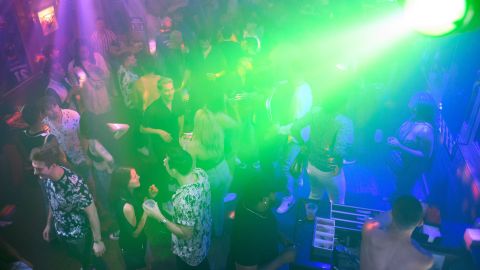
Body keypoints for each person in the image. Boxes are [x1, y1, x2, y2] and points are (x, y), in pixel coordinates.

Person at [30, 143, 106, 269]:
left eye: (39, 169)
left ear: (53, 166)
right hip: (63, 232)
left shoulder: (75, 186)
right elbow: (52, 201)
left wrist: (98, 241)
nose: (35, 172)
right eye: (34, 168)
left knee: (89, 260)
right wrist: (49, 224)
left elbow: (92, 213)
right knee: (77, 258)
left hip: (79, 236)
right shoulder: (48, 179)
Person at [143, 148, 211, 270]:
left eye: (167, 161)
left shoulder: (184, 199)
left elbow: (186, 234)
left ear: (174, 171)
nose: (164, 162)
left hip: (190, 252)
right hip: (203, 237)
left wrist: (159, 217)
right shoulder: (201, 173)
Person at [227, 170, 296, 270]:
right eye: (273, 192)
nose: (275, 195)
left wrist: (280, 237)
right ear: (264, 200)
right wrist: (282, 259)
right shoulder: (246, 238)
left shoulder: (252, 204)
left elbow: (266, 222)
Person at [292, 92, 353, 204]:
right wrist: (338, 164)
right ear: (342, 103)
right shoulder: (344, 123)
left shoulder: (315, 112)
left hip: (312, 165)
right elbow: (339, 151)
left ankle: (310, 219)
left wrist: (302, 144)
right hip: (330, 170)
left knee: (314, 195)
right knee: (337, 202)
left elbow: (294, 128)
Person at [186, 108, 233, 237]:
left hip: (210, 177)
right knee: (219, 202)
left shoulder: (193, 144)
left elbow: (192, 168)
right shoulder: (219, 131)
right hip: (224, 170)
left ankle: (207, 233)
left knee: (207, 206)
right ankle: (219, 230)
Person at [360, 195, 433, 270]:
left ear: (392, 214)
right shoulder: (425, 261)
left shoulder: (369, 231)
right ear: (420, 223)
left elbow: (379, 219)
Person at [388, 92, 436, 198]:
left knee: (404, 190)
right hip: (403, 166)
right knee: (399, 186)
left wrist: (399, 146)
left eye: (412, 102)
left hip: (411, 169)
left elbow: (425, 155)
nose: (409, 103)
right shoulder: (413, 119)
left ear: (417, 108)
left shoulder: (425, 130)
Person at [109, 167, 147, 270]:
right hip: (133, 247)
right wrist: (147, 212)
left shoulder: (130, 192)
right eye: (134, 177)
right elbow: (135, 234)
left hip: (137, 242)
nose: (138, 176)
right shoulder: (127, 207)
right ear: (125, 183)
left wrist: (149, 198)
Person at [140, 77, 185, 159]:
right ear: (160, 91)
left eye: (172, 89)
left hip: (177, 140)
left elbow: (181, 115)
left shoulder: (177, 101)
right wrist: (159, 132)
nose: (171, 93)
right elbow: (142, 129)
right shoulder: (152, 109)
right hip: (162, 145)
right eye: (167, 91)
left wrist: (181, 131)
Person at [68, 39, 111, 115]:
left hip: (102, 97)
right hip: (88, 102)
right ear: (77, 52)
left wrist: (99, 71)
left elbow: (107, 75)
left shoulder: (97, 57)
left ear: (89, 48)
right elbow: (75, 87)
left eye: (86, 51)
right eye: (81, 52)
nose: (84, 54)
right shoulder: (72, 66)